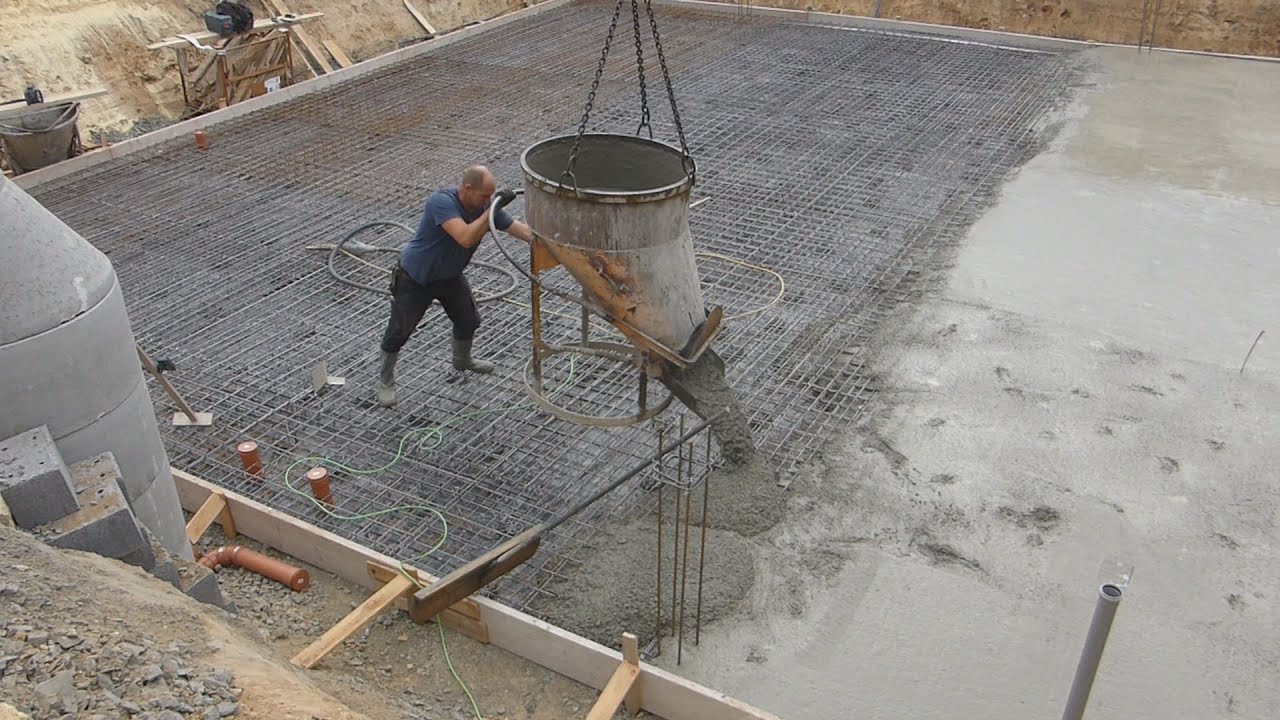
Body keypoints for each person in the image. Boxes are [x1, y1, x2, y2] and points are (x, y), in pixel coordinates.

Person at [376, 165, 534, 407]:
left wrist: (553, 242)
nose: (488, 200)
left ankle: (462, 360)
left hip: (448, 276)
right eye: (484, 195)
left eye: (492, 196)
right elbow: (465, 237)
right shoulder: (441, 202)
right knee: (399, 331)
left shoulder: (484, 207)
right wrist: (493, 209)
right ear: (467, 188)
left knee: (468, 320)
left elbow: (521, 231)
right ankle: (385, 380)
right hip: (416, 278)